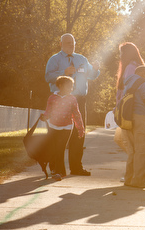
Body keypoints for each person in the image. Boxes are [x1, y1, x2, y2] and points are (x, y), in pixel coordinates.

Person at [45, 33, 100, 176]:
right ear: (61, 44)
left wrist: (95, 69)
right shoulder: (55, 59)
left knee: (78, 133)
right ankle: (56, 167)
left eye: (73, 42)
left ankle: (76, 167)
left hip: (79, 100)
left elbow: (92, 76)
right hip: (60, 100)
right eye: (68, 42)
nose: (71, 45)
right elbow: (48, 77)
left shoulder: (81, 59)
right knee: (57, 134)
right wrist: (63, 72)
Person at [40, 76, 85, 181]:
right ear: (60, 86)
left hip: (66, 128)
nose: (71, 88)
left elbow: (76, 115)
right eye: (69, 86)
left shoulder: (72, 99)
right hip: (53, 127)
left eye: (72, 86)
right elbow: (48, 111)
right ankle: (54, 169)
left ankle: (60, 172)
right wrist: (44, 117)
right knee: (53, 149)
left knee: (60, 149)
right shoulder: (52, 98)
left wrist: (80, 128)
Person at [122, 65, 145, 188]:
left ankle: (129, 179)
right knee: (143, 150)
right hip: (141, 118)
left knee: (133, 151)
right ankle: (139, 180)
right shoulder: (143, 82)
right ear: (143, 73)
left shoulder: (128, 83)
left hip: (128, 120)